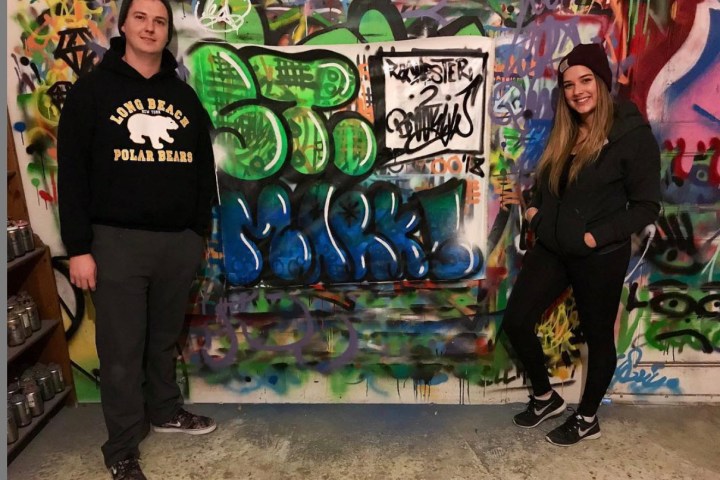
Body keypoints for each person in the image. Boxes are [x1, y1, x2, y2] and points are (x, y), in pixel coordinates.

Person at [57, 0, 217, 478]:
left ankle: (165, 411)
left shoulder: (183, 97)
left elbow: (200, 170)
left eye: (160, 21)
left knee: (163, 339)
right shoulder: (92, 93)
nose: (150, 28)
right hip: (115, 242)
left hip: (176, 243)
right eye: (141, 18)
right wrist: (79, 248)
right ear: (122, 25)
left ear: (168, 32)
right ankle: (122, 448)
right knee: (122, 351)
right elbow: (73, 176)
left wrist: (198, 235)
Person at [500, 43, 661, 446]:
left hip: (599, 256)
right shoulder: (567, 130)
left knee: (597, 337)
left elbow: (646, 206)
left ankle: (587, 417)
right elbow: (549, 185)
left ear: (602, 83)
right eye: (569, 84)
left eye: (585, 80)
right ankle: (545, 396)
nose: (577, 92)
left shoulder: (631, 136)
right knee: (517, 321)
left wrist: (594, 236)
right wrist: (534, 212)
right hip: (553, 248)